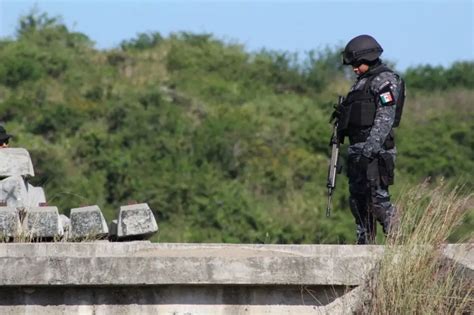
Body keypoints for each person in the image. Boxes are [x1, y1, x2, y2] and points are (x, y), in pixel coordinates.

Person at [335, 34, 405, 244]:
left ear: (370, 58)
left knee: (378, 199)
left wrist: (370, 150)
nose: (354, 68)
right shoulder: (360, 84)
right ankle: (365, 243)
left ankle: (400, 242)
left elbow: (385, 118)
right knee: (358, 200)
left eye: (357, 64)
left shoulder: (385, 80)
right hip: (357, 149)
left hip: (375, 150)